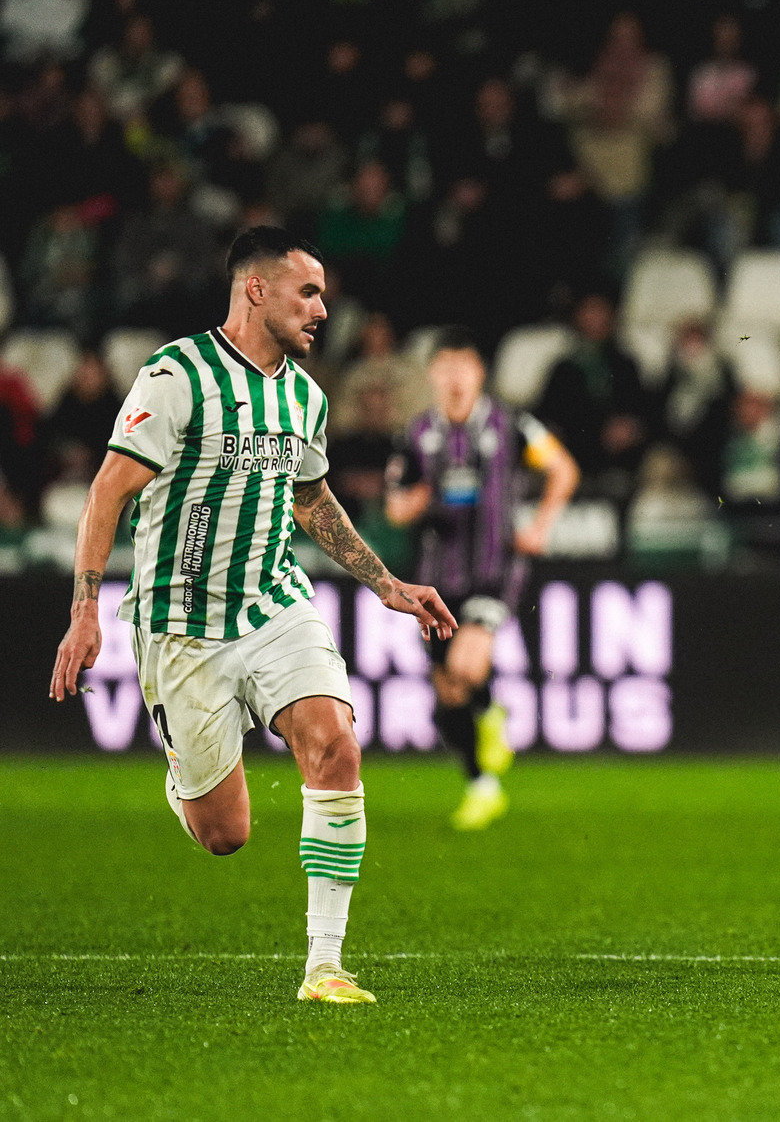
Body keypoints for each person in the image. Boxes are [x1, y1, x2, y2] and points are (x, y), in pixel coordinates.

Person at [48, 227, 457, 1004]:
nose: (323, 309)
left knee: (336, 743)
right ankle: (186, 773)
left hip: (274, 602)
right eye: (309, 292)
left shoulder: (307, 396)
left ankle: (325, 966)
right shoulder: (177, 376)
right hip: (180, 620)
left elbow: (311, 498)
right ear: (256, 289)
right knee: (224, 834)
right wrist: (85, 609)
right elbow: (107, 491)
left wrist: (385, 583)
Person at [386, 327, 579, 830]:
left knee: (466, 666)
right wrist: (417, 501)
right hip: (435, 578)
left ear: (479, 373)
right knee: (447, 691)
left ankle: (489, 712)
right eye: (445, 367)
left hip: (495, 568)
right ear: (432, 374)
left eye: (463, 367)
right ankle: (481, 784)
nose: (454, 377)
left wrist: (540, 526)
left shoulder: (511, 424)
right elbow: (395, 507)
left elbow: (563, 470)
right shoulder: (416, 434)